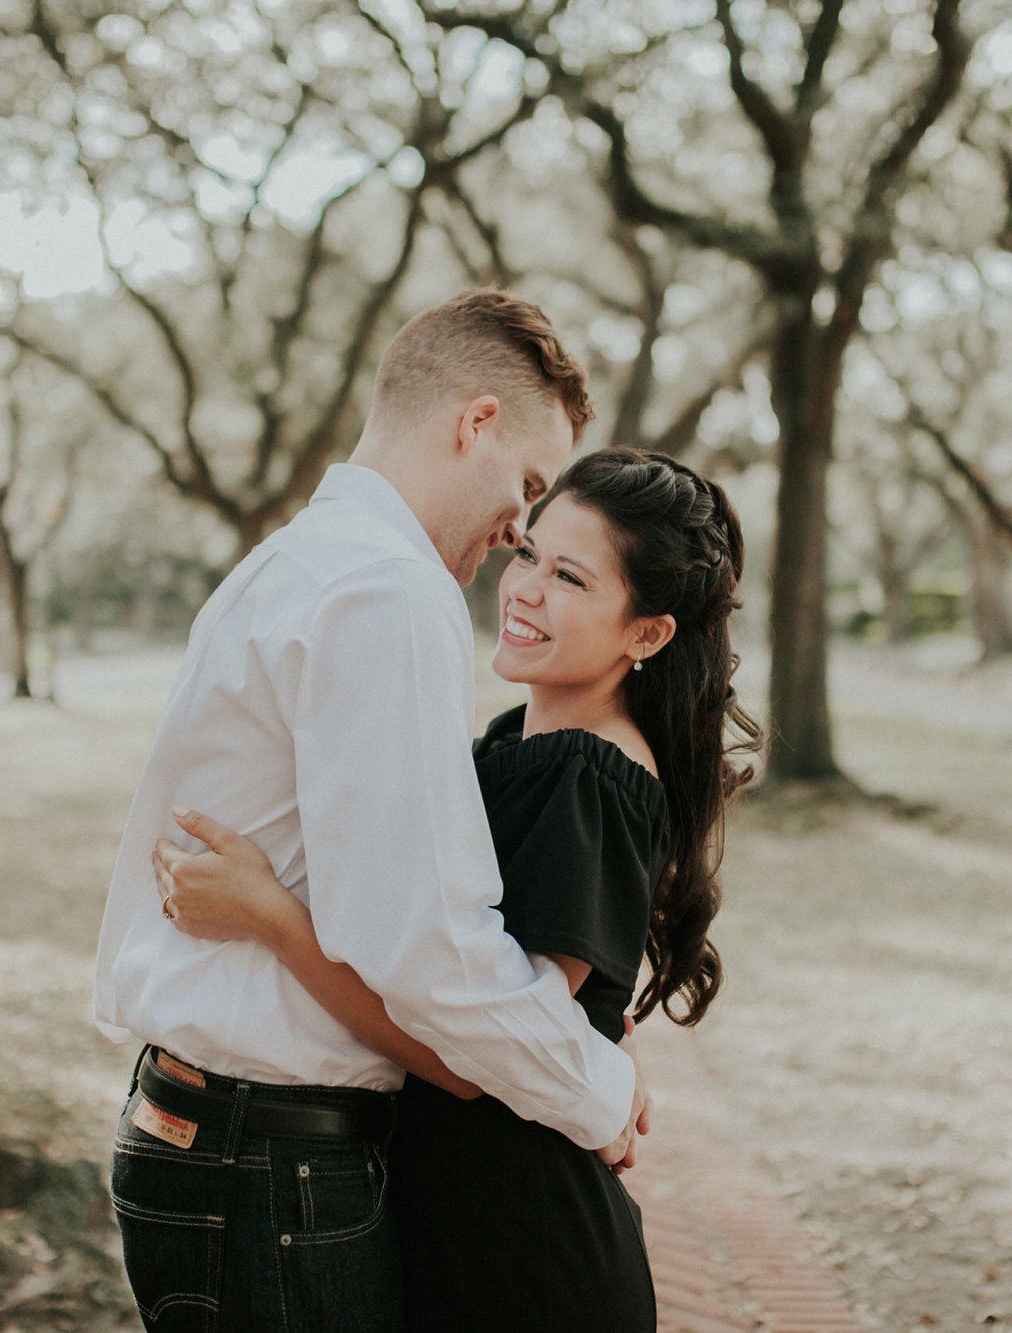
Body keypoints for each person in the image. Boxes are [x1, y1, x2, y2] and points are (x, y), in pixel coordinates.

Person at [91, 290, 651, 1333]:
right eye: (526, 486)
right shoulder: (386, 591)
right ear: (472, 421)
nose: (516, 528)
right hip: (267, 1165)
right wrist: (598, 1093)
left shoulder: (288, 563)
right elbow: (428, 948)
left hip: (207, 1136)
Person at [156, 446, 760, 1330]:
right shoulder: (519, 743)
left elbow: (472, 1053)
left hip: (523, 1251)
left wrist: (271, 918)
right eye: (529, 555)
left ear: (647, 632)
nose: (525, 588)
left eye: (571, 578)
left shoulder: (586, 777)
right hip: (463, 1220)